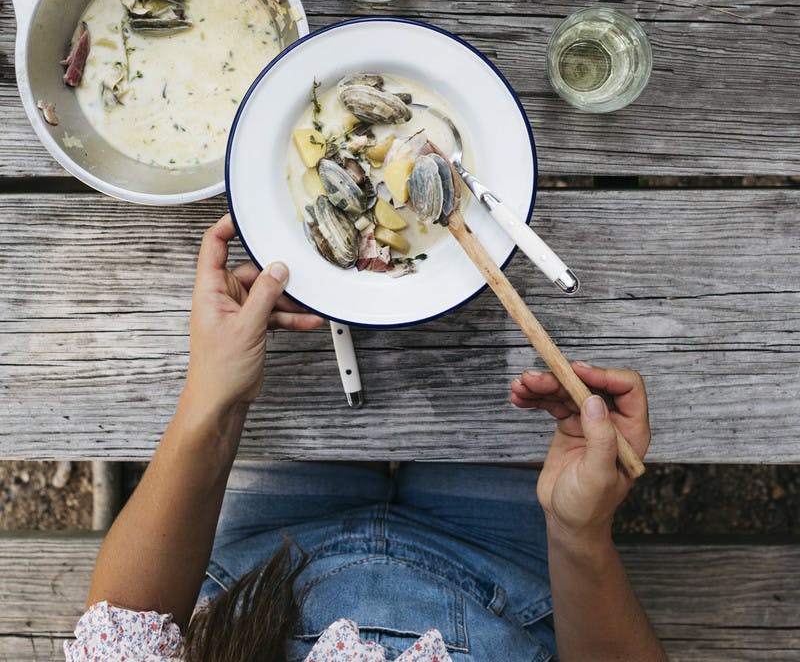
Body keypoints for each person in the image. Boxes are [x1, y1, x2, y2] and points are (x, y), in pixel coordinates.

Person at [65, 214, 667, 661]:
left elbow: (123, 629)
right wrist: (578, 532)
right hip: (506, 567)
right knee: (505, 316)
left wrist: (212, 400)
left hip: (265, 554)